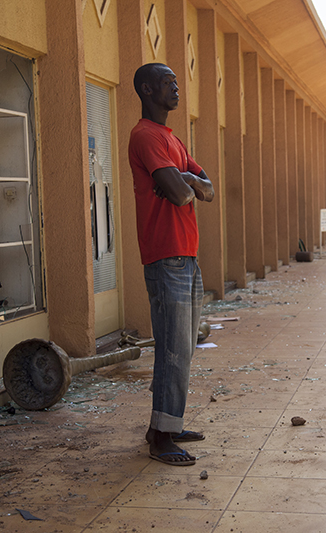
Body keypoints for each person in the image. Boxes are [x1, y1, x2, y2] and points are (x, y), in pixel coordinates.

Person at [128, 63, 215, 466]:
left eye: (177, 81)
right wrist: (186, 181)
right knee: (172, 351)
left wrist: (184, 178)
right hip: (165, 257)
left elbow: (207, 190)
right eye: (168, 83)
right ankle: (161, 439)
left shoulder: (171, 138)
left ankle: (167, 423)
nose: (177, 88)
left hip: (186, 257)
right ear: (147, 90)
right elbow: (182, 195)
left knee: (184, 349)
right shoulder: (145, 135)